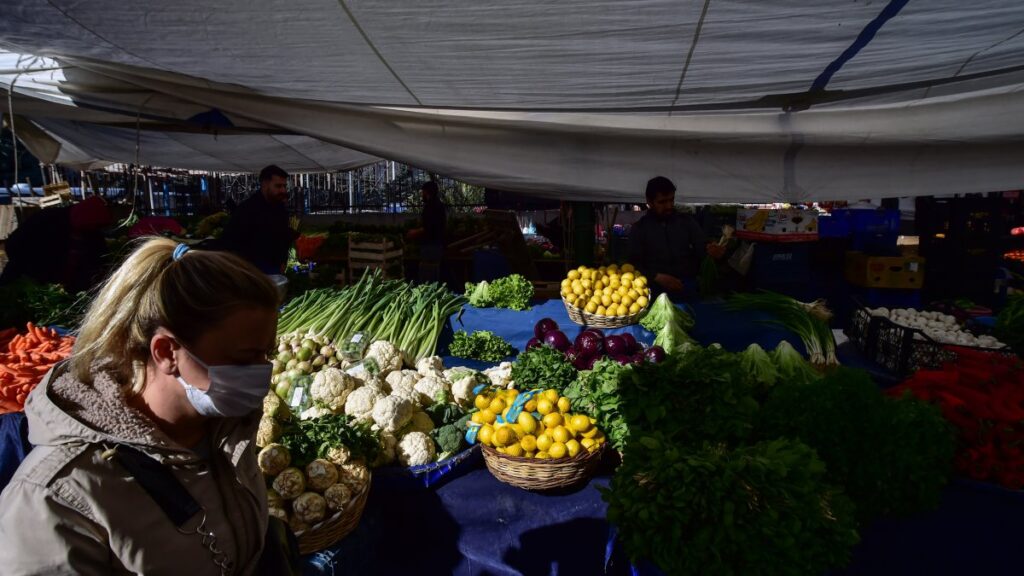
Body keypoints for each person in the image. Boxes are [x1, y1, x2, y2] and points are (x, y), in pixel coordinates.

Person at [0, 238, 294, 575]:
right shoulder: (55, 500)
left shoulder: (226, 431)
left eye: (266, 354)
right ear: (167, 352)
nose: (262, 372)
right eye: (244, 358)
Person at [0, 195, 112, 292]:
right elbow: (15, 243)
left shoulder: (91, 234)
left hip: (65, 286)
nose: (93, 227)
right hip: (27, 275)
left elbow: (100, 258)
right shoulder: (47, 220)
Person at [628, 176, 707, 296]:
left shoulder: (687, 222)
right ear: (649, 202)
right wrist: (655, 276)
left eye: (671, 200)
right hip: (654, 291)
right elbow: (632, 264)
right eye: (662, 202)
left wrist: (711, 250)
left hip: (686, 287)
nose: (669, 206)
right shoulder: (639, 229)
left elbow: (702, 249)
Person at [220, 165, 298, 274]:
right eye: (278, 186)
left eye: (284, 186)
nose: (283, 190)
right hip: (251, 269)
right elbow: (229, 242)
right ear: (265, 184)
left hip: (274, 267)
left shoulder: (280, 207)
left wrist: (283, 260)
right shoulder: (247, 210)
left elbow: (281, 235)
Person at [406, 181, 447, 281]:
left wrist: (414, 232)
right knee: (434, 270)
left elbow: (429, 227)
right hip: (437, 243)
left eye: (422, 192)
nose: (421, 195)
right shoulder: (439, 205)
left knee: (428, 272)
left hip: (431, 244)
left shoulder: (431, 206)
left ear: (426, 192)